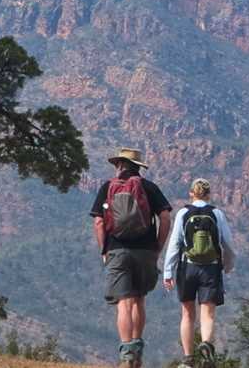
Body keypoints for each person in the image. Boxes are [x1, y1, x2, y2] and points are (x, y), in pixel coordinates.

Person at [90, 148, 172, 368]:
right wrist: (158, 247)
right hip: (146, 251)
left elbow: (98, 222)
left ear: (119, 165)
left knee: (124, 303)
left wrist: (104, 250)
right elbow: (165, 218)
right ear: (138, 167)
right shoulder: (148, 187)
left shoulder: (108, 187)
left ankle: (126, 355)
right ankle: (137, 353)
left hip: (117, 250)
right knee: (139, 298)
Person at [163, 178, 236, 368]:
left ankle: (188, 359)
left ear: (191, 193)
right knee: (208, 314)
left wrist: (168, 272)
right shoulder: (217, 214)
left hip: (187, 267)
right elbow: (228, 244)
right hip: (211, 268)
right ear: (209, 194)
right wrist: (227, 266)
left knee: (187, 313)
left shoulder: (183, 213)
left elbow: (175, 244)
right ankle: (206, 348)